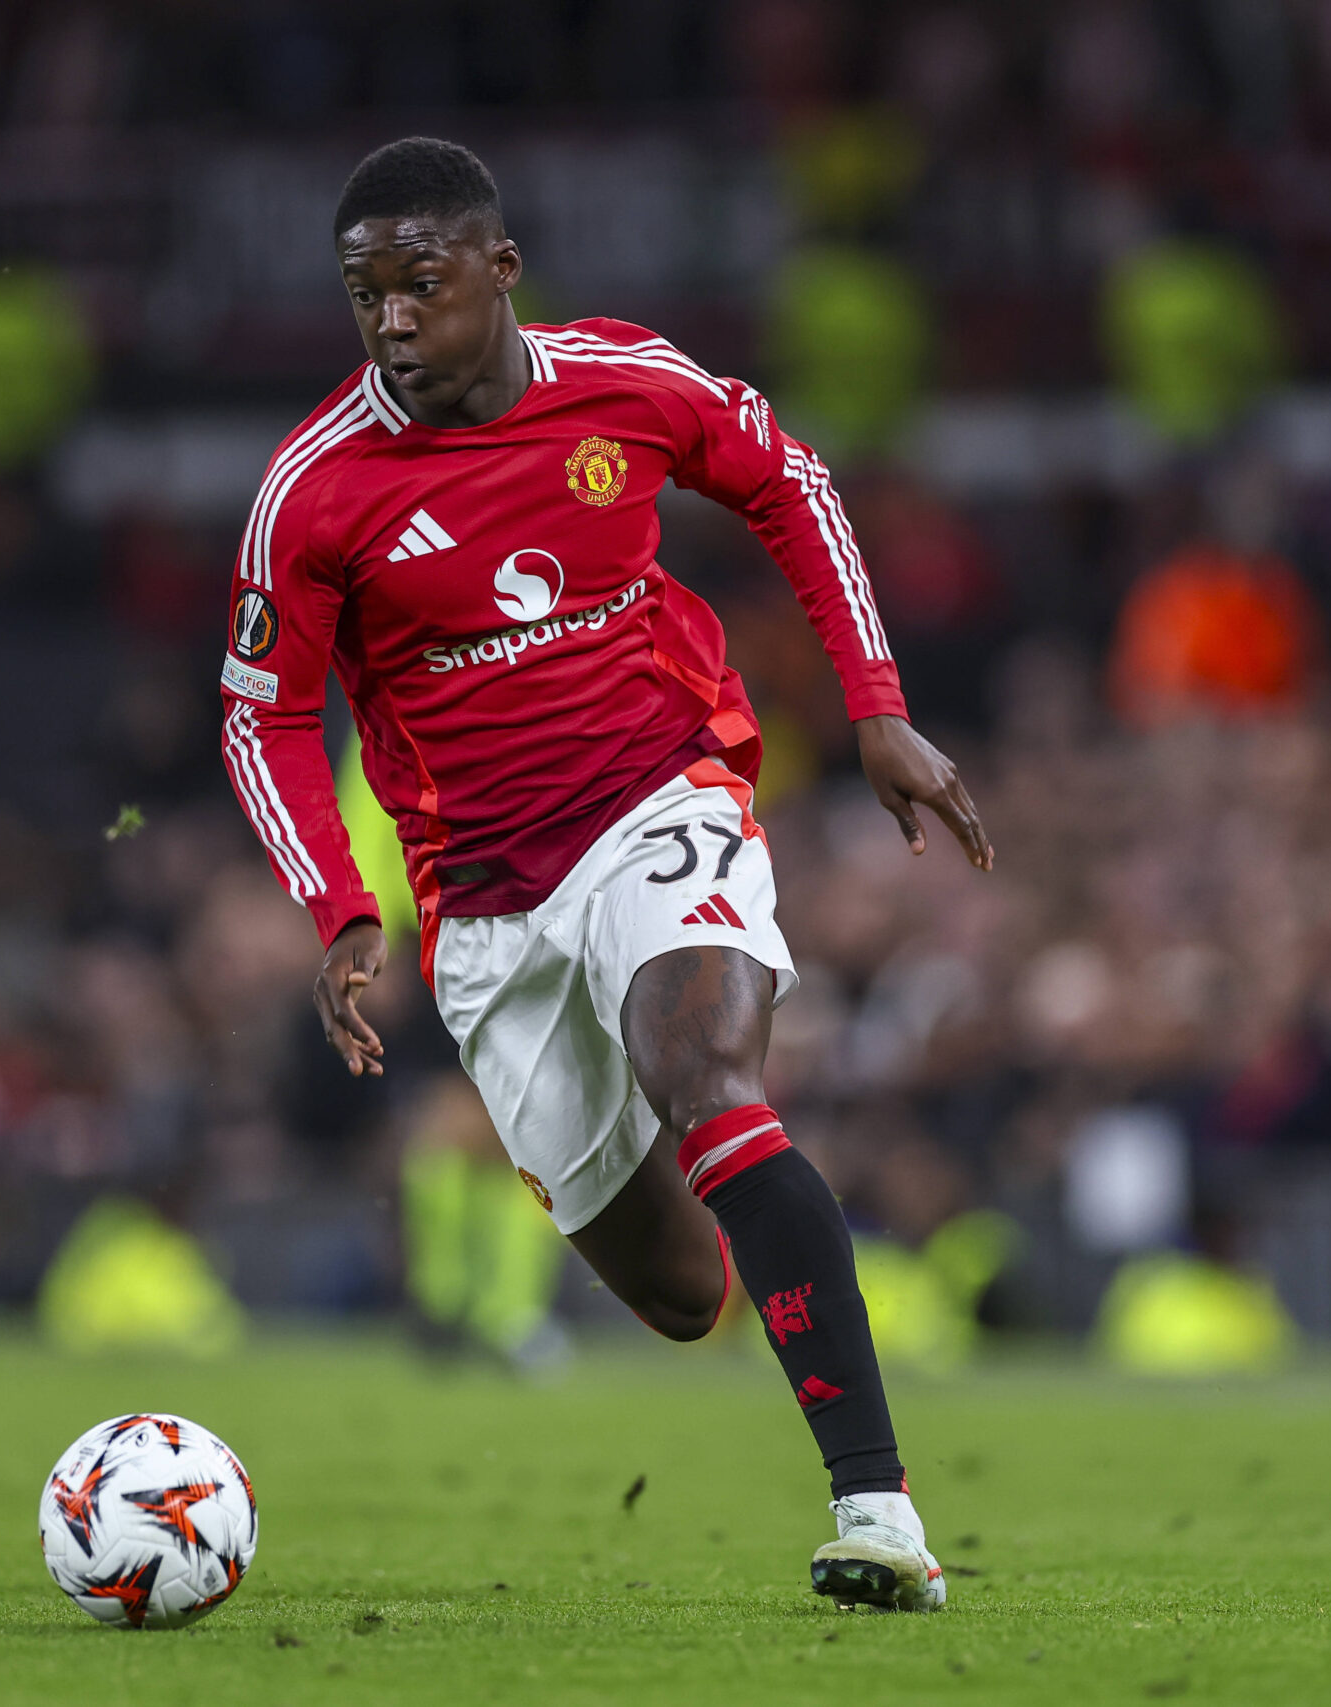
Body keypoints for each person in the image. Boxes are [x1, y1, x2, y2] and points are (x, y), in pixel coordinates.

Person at [216, 138, 991, 1610]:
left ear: (500, 271)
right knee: (683, 1290)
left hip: (657, 793)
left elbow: (791, 479)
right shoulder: (314, 491)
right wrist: (338, 904)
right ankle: (754, 1220)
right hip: (483, 901)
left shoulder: (621, 381)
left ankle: (877, 1506)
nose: (390, 318)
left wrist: (875, 704)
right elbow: (259, 710)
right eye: (363, 291)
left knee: (705, 1068)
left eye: (420, 284)